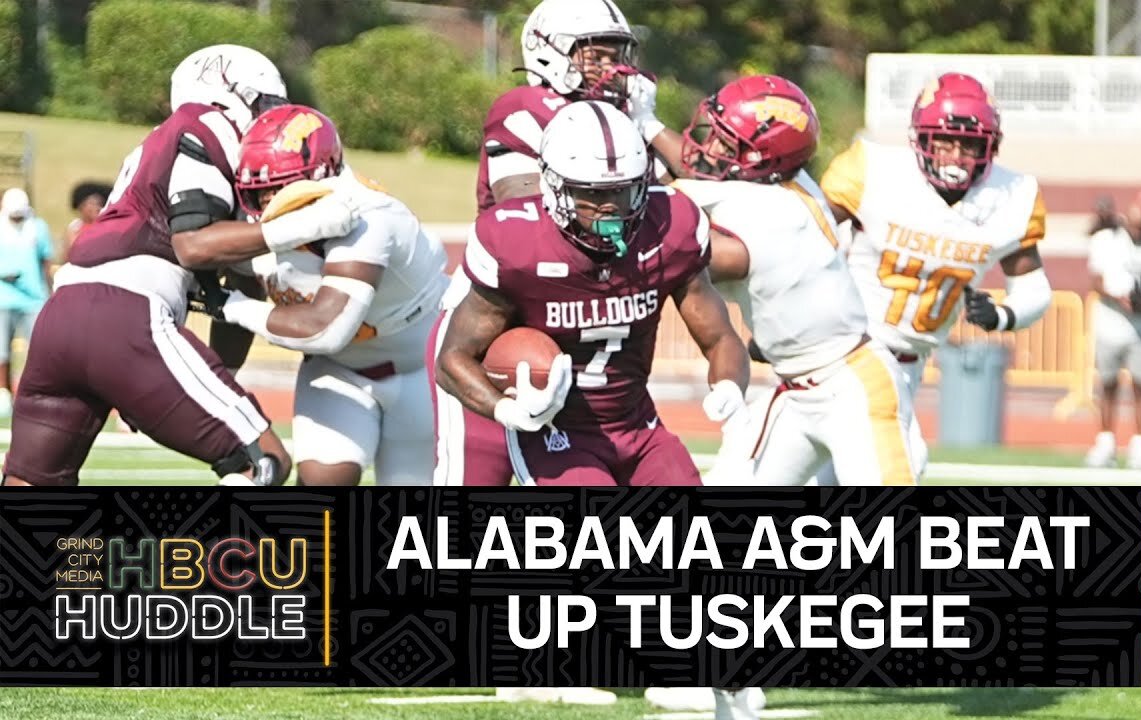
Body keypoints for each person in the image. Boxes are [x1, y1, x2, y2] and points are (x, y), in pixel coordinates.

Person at [1, 44, 359, 488]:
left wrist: (201, 381)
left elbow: (241, 283)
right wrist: (305, 224)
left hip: (62, 318)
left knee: (29, 482)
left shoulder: (159, 146)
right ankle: (205, 561)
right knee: (262, 462)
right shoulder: (207, 122)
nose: (270, 122)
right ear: (235, 93)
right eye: (266, 105)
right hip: (125, 315)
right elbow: (192, 247)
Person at [430, 0, 681, 489]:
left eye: (618, 55)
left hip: (573, 320)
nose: (613, 69)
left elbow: (686, 198)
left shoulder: (615, 124)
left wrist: (648, 124)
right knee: (475, 477)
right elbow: (525, 213)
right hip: (500, 315)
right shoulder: (526, 108)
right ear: (548, 52)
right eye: (597, 55)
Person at [436, 100, 749, 488]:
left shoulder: (671, 227)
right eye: (591, 194)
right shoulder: (516, 245)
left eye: (623, 192)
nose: (610, 209)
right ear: (552, 184)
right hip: (556, 435)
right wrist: (505, 410)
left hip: (638, 426)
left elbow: (720, 337)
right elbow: (452, 359)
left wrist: (731, 386)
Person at [674, 75, 920, 489]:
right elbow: (684, 183)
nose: (711, 148)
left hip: (853, 386)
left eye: (726, 140)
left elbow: (680, 251)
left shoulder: (770, 213)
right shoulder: (784, 185)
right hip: (796, 390)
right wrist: (642, 128)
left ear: (761, 157)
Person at [819, 72, 1053, 473]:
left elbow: (1033, 287)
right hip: (847, 349)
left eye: (969, 143)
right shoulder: (872, 172)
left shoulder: (1011, 197)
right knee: (900, 465)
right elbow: (807, 238)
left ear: (990, 145)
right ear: (920, 138)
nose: (956, 154)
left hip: (909, 364)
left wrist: (1002, 314)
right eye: (945, 140)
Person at [208, 104, 449, 487]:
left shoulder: (371, 217)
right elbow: (241, 278)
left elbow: (325, 329)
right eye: (260, 192)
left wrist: (227, 306)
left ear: (323, 174)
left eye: (281, 188)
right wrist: (222, 382)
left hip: (422, 371)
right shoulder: (251, 223)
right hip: (336, 370)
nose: (270, 204)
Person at [1084, 203, 1141, 469]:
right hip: (1110, 323)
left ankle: (1140, 445)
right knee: (1108, 384)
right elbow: (1095, 281)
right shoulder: (1106, 240)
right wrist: (1119, 297)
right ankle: (1105, 443)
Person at [0, 188, 54, 416]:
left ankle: (34, 393)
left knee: (39, 350)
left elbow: (46, 261)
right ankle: (3, 394)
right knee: (2, 351)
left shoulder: (37, 227)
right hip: (3, 298)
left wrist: (51, 291)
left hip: (33, 299)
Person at [64, 181, 111, 253]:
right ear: (81, 206)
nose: (97, 208)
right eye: (92, 204)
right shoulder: (75, 228)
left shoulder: (106, 226)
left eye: (100, 204)